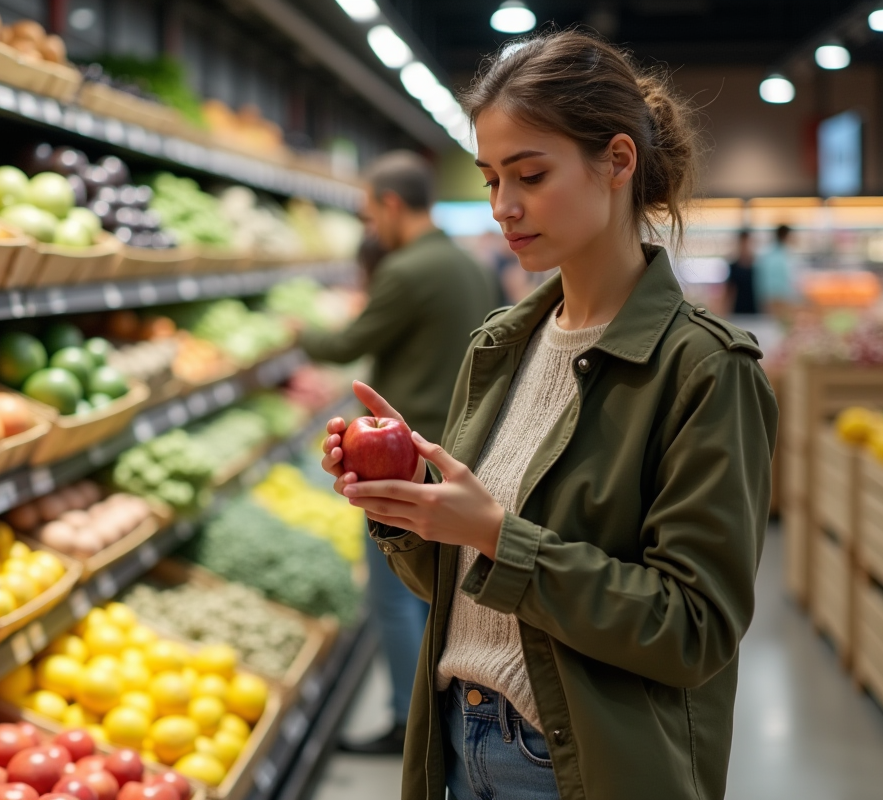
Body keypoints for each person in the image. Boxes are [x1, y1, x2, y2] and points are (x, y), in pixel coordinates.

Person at [320, 30, 777, 800]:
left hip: (575, 768)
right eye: (492, 178)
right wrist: (403, 510)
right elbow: (463, 589)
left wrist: (496, 534)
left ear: (618, 162)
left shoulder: (705, 371)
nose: (503, 206)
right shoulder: (501, 346)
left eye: (530, 174)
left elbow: (694, 630)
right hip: (457, 747)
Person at [298, 150, 498, 755]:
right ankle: (438, 712)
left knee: (392, 592)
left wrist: (297, 330)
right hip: (456, 446)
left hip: (403, 457)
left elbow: (347, 344)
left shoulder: (404, 270)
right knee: (438, 590)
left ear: (389, 205)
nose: (368, 228)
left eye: (367, 214)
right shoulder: (465, 265)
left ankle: (409, 724)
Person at [753, 223, 797, 315]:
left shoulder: (768, 253)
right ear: (786, 236)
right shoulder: (779, 255)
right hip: (776, 297)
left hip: (773, 296)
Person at [724, 228, 757, 315]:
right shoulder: (733, 266)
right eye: (743, 243)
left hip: (755, 311)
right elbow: (729, 291)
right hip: (738, 311)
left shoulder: (757, 267)